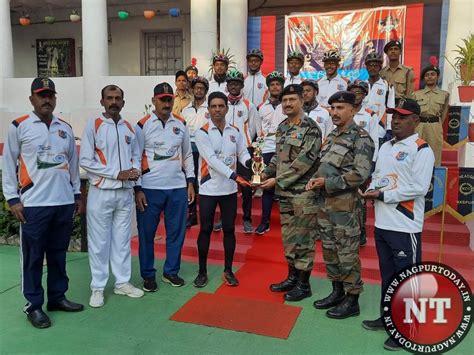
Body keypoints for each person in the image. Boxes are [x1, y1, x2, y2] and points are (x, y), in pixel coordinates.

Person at [2, 77, 84, 328]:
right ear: (32, 99)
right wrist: (13, 199)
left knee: (58, 255)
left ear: (55, 98)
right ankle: (33, 305)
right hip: (33, 205)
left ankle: (57, 298)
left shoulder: (65, 128)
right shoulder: (19, 126)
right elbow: (7, 164)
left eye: (50, 95)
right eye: (41, 95)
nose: (46, 99)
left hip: (62, 203)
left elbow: (71, 164)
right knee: (33, 257)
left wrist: (77, 194)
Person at [360, 98, 434, 351]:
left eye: (402, 117)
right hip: (383, 223)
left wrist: (382, 196)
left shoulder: (422, 149)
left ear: (416, 120)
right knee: (389, 277)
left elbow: (418, 188)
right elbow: (380, 179)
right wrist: (371, 189)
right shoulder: (386, 146)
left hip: (405, 226)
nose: (396, 120)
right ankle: (389, 319)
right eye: (393, 116)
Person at [307, 91, 374, 319]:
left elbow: (361, 174)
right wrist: (316, 179)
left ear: (353, 110)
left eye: (340, 108)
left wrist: (328, 183)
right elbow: (324, 165)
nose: (335, 112)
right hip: (325, 205)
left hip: (345, 208)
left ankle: (352, 298)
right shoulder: (332, 136)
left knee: (347, 253)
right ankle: (337, 292)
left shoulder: (361, 138)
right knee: (329, 251)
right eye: (332, 108)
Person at [80, 85, 144, 308]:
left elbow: (136, 155)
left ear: (123, 102)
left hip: (124, 193)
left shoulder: (129, 128)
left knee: (122, 241)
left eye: (118, 98)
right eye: (109, 98)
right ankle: (97, 287)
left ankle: (122, 282)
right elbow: (86, 161)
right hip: (101, 192)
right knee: (99, 243)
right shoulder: (93, 125)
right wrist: (116, 174)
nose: (113, 102)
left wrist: (134, 172)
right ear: (102, 101)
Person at [261, 84, 322, 302]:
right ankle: (292, 277)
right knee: (289, 237)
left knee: (304, 239)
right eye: (284, 100)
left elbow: (305, 161)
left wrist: (277, 180)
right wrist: (262, 173)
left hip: (304, 194)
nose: (287, 104)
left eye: (292, 100)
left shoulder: (311, 128)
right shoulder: (282, 127)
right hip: (285, 193)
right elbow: (279, 157)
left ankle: (304, 285)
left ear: (301, 101)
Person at [135, 83, 195, 291]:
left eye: (169, 99)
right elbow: (135, 158)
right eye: (162, 99)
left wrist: (190, 182)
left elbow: (187, 154)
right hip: (150, 188)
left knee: (176, 232)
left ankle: (171, 271)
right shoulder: (142, 125)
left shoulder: (181, 123)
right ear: (154, 101)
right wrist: (138, 189)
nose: (166, 103)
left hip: (177, 187)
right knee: (146, 233)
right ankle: (148, 274)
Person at [193, 91, 252, 288]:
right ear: (208, 110)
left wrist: (252, 163)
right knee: (206, 229)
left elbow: (242, 151)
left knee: (228, 230)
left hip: (228, 190)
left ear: (227, 108)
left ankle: (228, 270)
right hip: (209, 188)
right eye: (214, 106)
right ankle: (202, 271)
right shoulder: (201, 132)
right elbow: (211, 160)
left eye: (221, 106)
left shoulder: (234, 131)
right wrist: (236, 175)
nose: (217, 109)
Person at [225, 69, 261, 233]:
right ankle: (225, 219)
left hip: (243, 152)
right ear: (227, 86)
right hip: (224, 151)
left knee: (246, 187)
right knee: (226, 186)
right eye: (231, 83)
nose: (234, 86)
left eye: (237, 83)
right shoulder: (221, 103)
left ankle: (247, 219)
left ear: (241, 85)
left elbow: (255, 129)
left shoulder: (249, 105)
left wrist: (247, 145)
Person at [348, 80, 379, 247]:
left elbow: (375, 140)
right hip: (345, 161)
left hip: (363, 163)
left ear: (364, 95)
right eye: (352, 92)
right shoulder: (344, 112)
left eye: (359, 93)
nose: (355, 96)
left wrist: (372, 163)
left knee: (360, 198)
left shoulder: (369, 115)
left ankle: (361, 231)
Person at [254, 71, 286, 235]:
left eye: (278, 84)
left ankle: (289, 223)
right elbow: (259, 131)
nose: (275, 87)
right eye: (272, 84)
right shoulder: (261, 107)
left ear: (282, 86)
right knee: (267, 187)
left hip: (285, 148)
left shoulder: (287, 105)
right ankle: (265, 221)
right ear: (268, 87)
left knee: (287, 185)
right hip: (266, 148)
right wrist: (257, 155)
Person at [181, 76, 210, 227]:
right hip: (189, 149)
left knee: (204, 180)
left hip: (206, 148)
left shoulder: (210, 109)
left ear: (206, 91)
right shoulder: (185, 110)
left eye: (202, 88)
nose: (199, 90)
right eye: (196, 88)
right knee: (190, 180)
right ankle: (192, 214)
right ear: (192, 90)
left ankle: (207, 214)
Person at [412, 62, 449, 166]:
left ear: (437, 76)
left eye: (432, 74)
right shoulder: (416, 95)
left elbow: (444, 114)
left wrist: (437, 124)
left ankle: (434, 179)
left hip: (435, 126)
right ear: (424, 78)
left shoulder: (444, 95)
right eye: (427, 75)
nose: (430, 77)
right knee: (417, 152)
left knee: (435, 154)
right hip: (419, 126)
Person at [364, 52, 396, 145]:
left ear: (380, 67)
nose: (373, 68)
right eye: (370, 65)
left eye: (376, 65)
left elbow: (390, 109)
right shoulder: (361, 85)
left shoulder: (387, 86)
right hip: (363, 127)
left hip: (379, 129)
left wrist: (389, 129)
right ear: (366, 67)